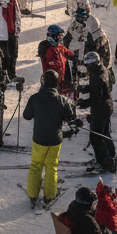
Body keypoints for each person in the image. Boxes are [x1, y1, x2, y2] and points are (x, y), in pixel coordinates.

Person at [23, 69, 77, 209]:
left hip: (39, 139)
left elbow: (27, 116)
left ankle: (33, 194)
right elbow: (71, 117)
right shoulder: (61, 100)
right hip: (55, 140)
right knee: (51, 167)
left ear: (43, 82)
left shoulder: (35, 98)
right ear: (56, 83)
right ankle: (49, 195)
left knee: (36, 165)